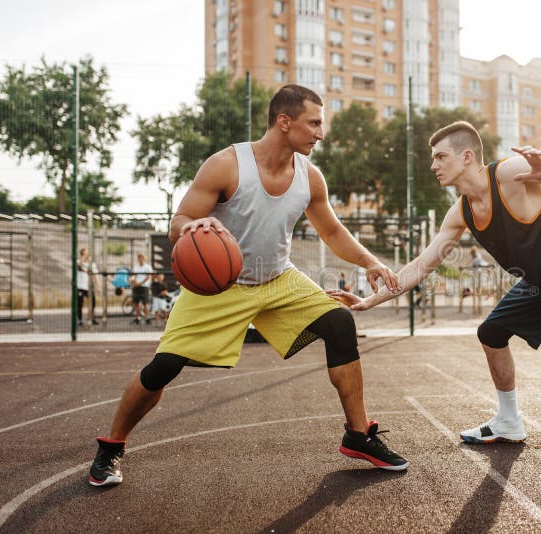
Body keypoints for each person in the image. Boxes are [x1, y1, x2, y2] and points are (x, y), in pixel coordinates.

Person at [88, 84, 408, 488]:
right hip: (220, 285)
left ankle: (358, 435)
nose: (320, 133)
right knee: (163, 367)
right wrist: (194, 225)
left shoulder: (310, 177)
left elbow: (331, 229)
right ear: (284, 121)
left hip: (278, 278)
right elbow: (178, 222)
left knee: (339, 323)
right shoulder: (226, 165)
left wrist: (370, 260)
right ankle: (111, 445)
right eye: (314, 123)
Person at [328, 121, 541, 503]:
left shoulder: (508, 173)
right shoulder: (460, 213)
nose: (434, 165)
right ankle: (509, 420)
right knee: (491, 332)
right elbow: (422, 265)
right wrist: (371, 301)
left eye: (441, 157)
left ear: (467, 156)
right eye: (433, 158)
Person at [77, 247, 100, 326]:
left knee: (92, 303)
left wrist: (97, 287)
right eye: (83, 253)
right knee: (79, 303)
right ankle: (79, 320)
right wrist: (83, 258)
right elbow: (79, 264)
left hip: (89, 287)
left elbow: (95, 276)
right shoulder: (79, 262)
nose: (86, 255)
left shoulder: (91, 264)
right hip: (80, 287)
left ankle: (91, 318)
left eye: (86, 253)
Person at [130, 253, 153, 325]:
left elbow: (148, 276)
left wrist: (140, 283)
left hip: (144, 287)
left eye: (141, 257)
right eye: (139, 257)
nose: (140, 258)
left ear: (144, 258)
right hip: (136, 287)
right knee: (136, 304)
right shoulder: (135, 267)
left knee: (146, 303)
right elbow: (133, 276)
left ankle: (147, 318)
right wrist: (133, 281)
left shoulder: (148, 267)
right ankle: (138, 318)